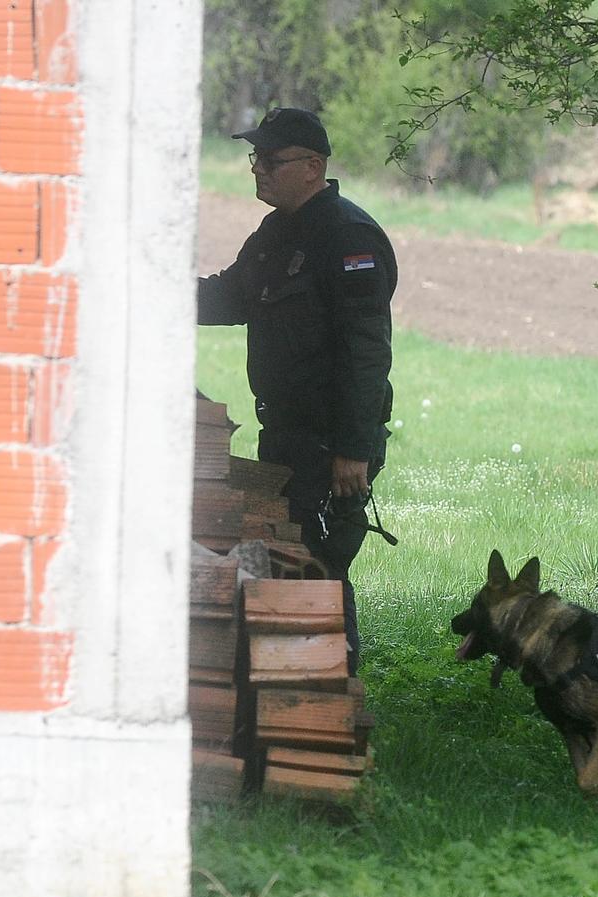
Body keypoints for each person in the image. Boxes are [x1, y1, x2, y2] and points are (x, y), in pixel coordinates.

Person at [198, 107, 396, 675]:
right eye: (254, 157)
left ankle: (332, 696)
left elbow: (366, 353)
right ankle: (296, 686)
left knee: (318, 568)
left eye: (271, 159)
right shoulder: (275, 234)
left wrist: (353, 450)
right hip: (284, 435)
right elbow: (227, 298)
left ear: (313, 167)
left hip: (333, 443)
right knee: (288, 560)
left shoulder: (348, 236)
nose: (257, 169)